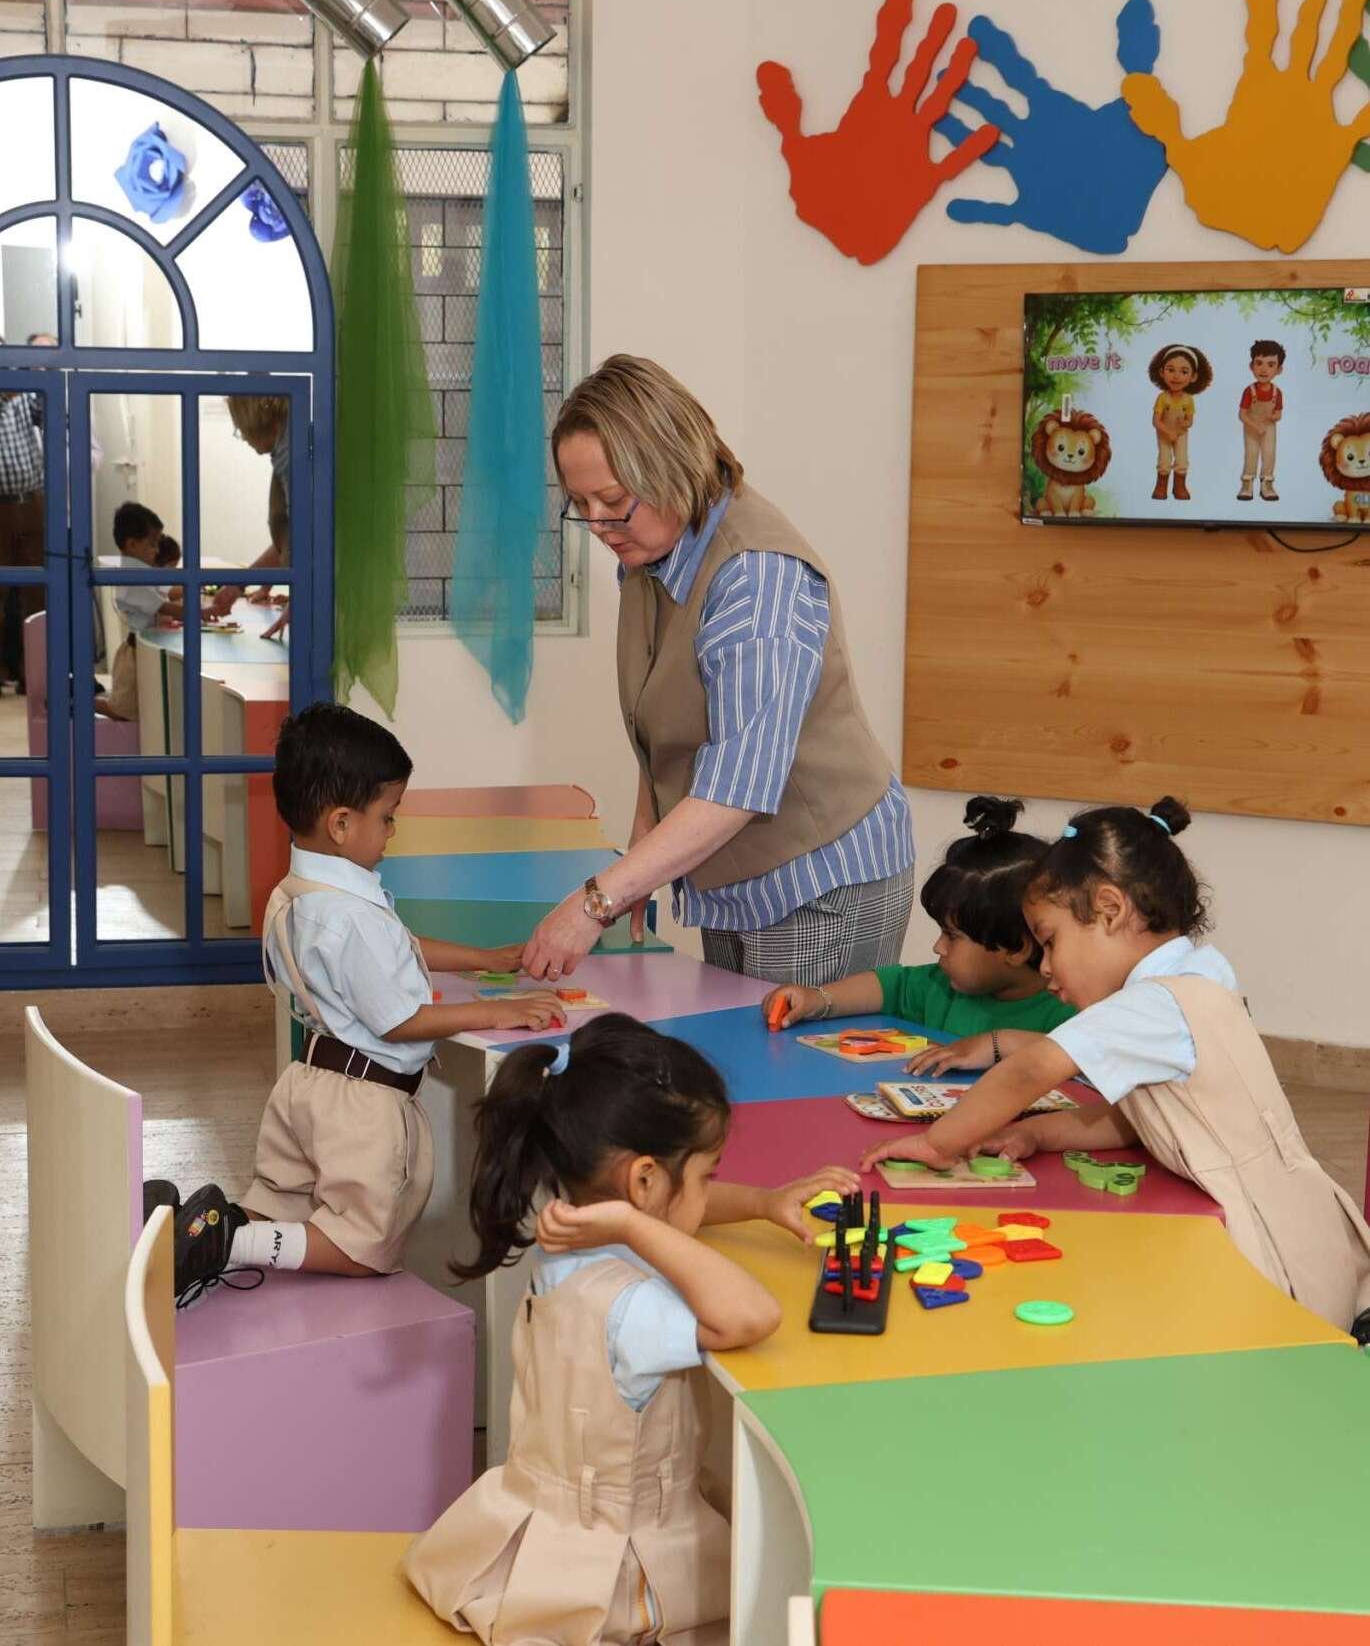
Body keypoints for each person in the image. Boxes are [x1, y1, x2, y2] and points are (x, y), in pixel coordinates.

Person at [404, 1012, 857, 1643]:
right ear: (642, 1181)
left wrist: (760, 1202)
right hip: (619, 1568)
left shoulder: (571, 1238)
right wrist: (638, 1226)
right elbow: (754, 1315)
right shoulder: (632, 1307)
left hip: (550, 1519)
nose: (711, 1191)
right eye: (710, 1174)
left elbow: (670, 1212)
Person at [860, 797, 1370, 1332]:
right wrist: (1037, 1136)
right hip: (1307, 1224)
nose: (1049, 969)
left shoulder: (1150, 1003)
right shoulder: (1201, 973)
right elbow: (1140, 1119)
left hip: (1266, 1250)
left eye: (1052, 942)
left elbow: (1029, 1070)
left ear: (1109, 909)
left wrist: (940, 1142)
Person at [146, 703, 568, 1305]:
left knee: (283, 1202)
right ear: (342, 823)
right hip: (363, 1108)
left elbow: (392, 951)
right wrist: (501, 1011)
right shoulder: (351, 917)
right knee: (365, 1250)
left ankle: (186, 1222)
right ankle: (227, 1241)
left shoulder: (303, 894)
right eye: (388, 818)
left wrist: (482, 958)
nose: (393, 832)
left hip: (308, 1085)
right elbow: (401, 1021)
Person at [522, 355, 914, 991]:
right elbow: (663, 736)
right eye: (579, 503)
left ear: (673, 468)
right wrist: (634, 878)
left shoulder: (756, 579)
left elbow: (737, 787)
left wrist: (595, 901)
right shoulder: (652, 551)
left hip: (818, 882)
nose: (596, 524)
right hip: (735, 876)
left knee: (787, 1080)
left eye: (614, 501)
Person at [761, 796, 1075, 1044]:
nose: (938, 947)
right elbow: (891, 986)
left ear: (1016, 949)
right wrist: (817, 999)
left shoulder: (1068, 1016)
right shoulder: (941, 987)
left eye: (952, 936)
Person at [96, 502, 194, 722]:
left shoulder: (143, 572)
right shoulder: (132, 577)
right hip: (134, 657)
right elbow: (164, 605)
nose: (157, 551)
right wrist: (202, 613)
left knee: (137, 709)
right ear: (131, 544)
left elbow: (167, 592)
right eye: (153, 544)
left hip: (143, 652)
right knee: (122, 711)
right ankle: (78, 700)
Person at [208, 394, 290, 637]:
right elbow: (285, 541)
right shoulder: (286, 449)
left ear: (257, 420)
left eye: (241, 428)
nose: (243, 437)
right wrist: (237, 584)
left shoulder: (290, 457)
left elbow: (307, 534)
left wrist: (300, 600)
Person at [0, 349, 44, 693]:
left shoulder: (23, 398)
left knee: (38, 593)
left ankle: (36, 675)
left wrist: (41, 372)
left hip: (30, 504)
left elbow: (53, 408)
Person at [1147, 343, 1212, 502]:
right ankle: (1161, 486)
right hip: (1164, 433)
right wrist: (1168, 432)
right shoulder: (1163, 398)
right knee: (1164, 459)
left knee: (1182, 460)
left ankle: (1179, 486)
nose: (1176, 376)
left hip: (1181, 434)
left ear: (1193, 376)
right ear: (1162, 372)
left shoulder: (1188, 400)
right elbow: (1156, 420)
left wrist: (1186, 423)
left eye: (1184, 371)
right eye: (1171, 370)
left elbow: (1190, 420)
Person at [1237, 339, 1285, 503]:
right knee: (1251, 454)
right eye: (1259, 363)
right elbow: (1242, 415)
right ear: (1251, 366)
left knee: (1269, 454)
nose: (1264, 369)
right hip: (1251, 426)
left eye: (1271, 365)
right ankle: (1247, 484)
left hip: (1269, 428)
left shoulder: (1277, 392)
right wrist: (1255, 426)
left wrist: (1273, 418)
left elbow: (1278, 413)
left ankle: (1267, 484)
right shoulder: (1249, 391)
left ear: (1279, 370)